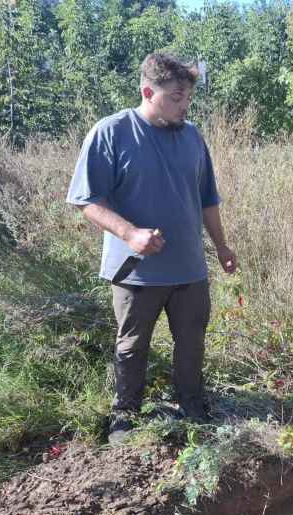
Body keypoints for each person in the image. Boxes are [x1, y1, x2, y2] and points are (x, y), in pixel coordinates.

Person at [66, 53, 237, 443]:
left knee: (192, 342)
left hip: (190, 269)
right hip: (135, 271)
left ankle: (192, 406)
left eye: (188, 98)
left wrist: (222, 247)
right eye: (176, 97)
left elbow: (207, 198)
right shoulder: (111, 132)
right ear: (148, 92)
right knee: (132, 345)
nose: (184, 105)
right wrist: (129, 234)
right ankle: (125, 416)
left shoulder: (193, 136)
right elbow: (86, 199)